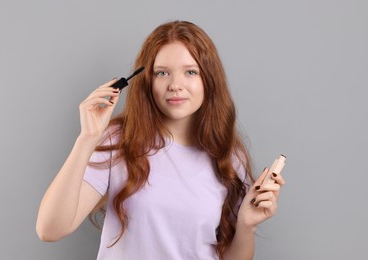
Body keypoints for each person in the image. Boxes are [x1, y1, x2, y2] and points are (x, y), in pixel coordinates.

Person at [36, 20, 285, 260]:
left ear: (209, 80)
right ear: (148, 81)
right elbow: (50, 229)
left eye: (191, 72)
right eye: (162, 73)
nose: (175, 85)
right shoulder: (118, 140)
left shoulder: (228, 157)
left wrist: (246, 226)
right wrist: (87, 138)